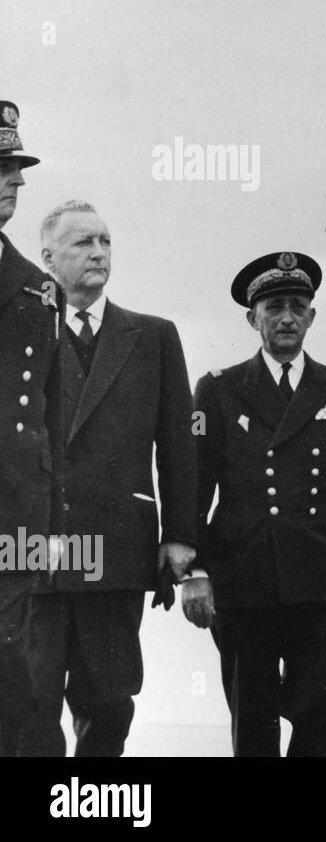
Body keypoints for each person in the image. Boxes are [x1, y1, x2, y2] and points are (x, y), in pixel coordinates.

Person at [183, 251, 326, 757]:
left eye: (298, 306)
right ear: (253, 317)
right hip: (244, 580)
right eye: (274, 307)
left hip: (321, 580)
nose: (287, 318)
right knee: (253, 721)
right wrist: (195, 571)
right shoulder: (218, 390)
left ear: (313, 316)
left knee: (323, 713)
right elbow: (194, 486)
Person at [24, 201, 197, 758]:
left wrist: (181, 534)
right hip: (31, 551)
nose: (98, 252)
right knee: (28, 701)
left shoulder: (152, 337)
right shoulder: (16, 330)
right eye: (82, 243)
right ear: (47, 257)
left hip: (116, 549)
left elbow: (178, 444)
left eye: (104, 241)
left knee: (110, 701)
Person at [0, 102, 63, 758]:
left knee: (11, 659)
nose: (14, 182)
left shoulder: (38, 291)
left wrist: (53, 525)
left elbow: (50, 414)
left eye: (15, 169)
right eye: (0, 169)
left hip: (17, 514)